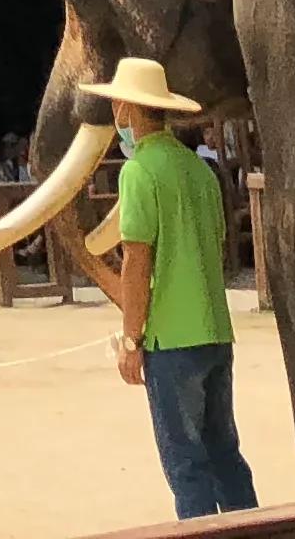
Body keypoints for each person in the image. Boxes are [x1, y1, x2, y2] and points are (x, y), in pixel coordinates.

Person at [94, 55, 257, 519]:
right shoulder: (199, 170)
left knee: (185, 463)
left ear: (127, 109)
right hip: (215, 330)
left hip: (171, 339)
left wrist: (130, 339)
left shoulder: (139, 171)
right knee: (225, 452)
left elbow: (137, 260)